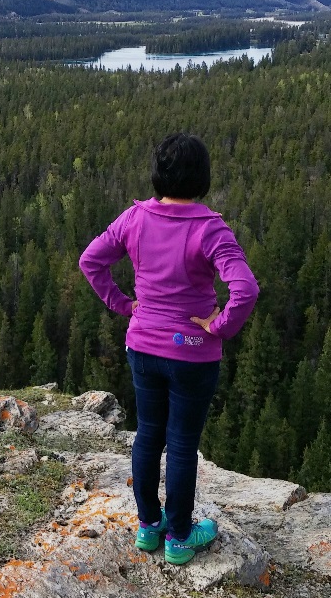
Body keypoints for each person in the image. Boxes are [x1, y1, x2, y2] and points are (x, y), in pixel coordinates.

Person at [79, 133, 258, 565]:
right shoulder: (210, 227)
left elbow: (91, 261)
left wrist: (124, 305)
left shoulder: (135, 218)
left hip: (142, 346)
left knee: (148, 435)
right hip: (192, 349)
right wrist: (218, 326)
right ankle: (179, 537)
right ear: (203, 178)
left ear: (158, 175)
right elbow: (245, 288)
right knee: (180, 444)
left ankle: (148, 526)